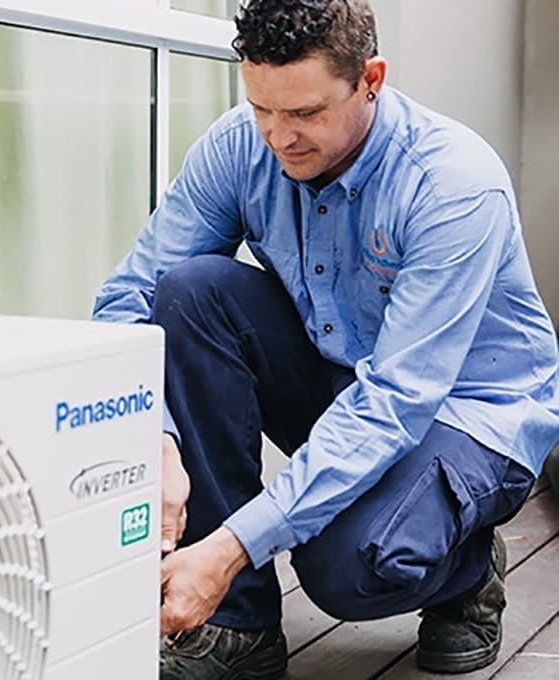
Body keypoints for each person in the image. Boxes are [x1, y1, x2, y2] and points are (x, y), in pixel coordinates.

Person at [91, 0, 559, 677]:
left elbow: (399, 400)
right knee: (191, 292)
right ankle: (239, 628)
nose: (280, 137)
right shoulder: (240, 145)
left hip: (468, 414)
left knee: (346, 568)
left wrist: (227, 547)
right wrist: (155, 434)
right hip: (347, 384)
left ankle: (468, 568)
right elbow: (124, 299)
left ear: (371, 78)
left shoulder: (452, 184)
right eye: (262, 108)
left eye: (307, 113)